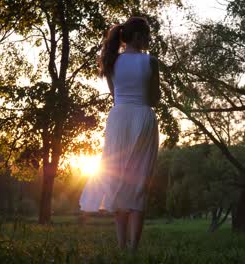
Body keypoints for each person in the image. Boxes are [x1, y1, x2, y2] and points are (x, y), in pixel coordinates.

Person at [79, 16, 160, 251]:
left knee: (118, 182)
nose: (148, 40)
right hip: (142, 117)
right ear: (137, 37)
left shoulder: (112, 61)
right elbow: (155, 98)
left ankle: (121, 245)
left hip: (119, 118)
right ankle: (133, 248)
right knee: (139, 183)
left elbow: (115, 95)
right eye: (146, 35)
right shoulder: (150, 62)